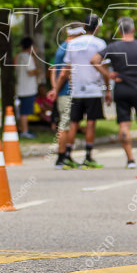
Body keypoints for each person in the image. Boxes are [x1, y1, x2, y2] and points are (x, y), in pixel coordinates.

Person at [90, 16, 137, 169]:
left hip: (121, 90)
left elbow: (94, 60)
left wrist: (108, 74)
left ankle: (130, 160)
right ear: (133, 29)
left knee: (124, 125)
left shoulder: (113, 47)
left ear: (119, 30)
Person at [55, 14, 107, 168]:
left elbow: (66, 70)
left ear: (84, 26)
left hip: (76, 90)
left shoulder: (72, 44)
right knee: (91, 123)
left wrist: (56, 89)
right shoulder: (100, 44)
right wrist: (108, 88)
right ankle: (88, 157)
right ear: (97, 27)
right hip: (93, 89)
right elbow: (104, 67)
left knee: (73, 123)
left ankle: (68, 156)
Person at [50, 24, 79, 169]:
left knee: (66, 123)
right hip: (67, 91)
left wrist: (54, 88)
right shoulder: (70, 47)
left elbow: (54, 69)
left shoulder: (61, 46)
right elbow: (63, 72)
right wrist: (57, 89)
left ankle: (65, 156)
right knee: (65, 125)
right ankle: (62, 157)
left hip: (62, 92)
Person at [15, 37, 40, 139]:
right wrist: (38, 71)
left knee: (22, 111)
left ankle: (22, 129)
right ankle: (25, 131)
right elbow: (31, 72)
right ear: (31, 46)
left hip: (21, 88)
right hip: (28, 90)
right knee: (25, 112)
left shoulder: (19, 56)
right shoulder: (28, 57)